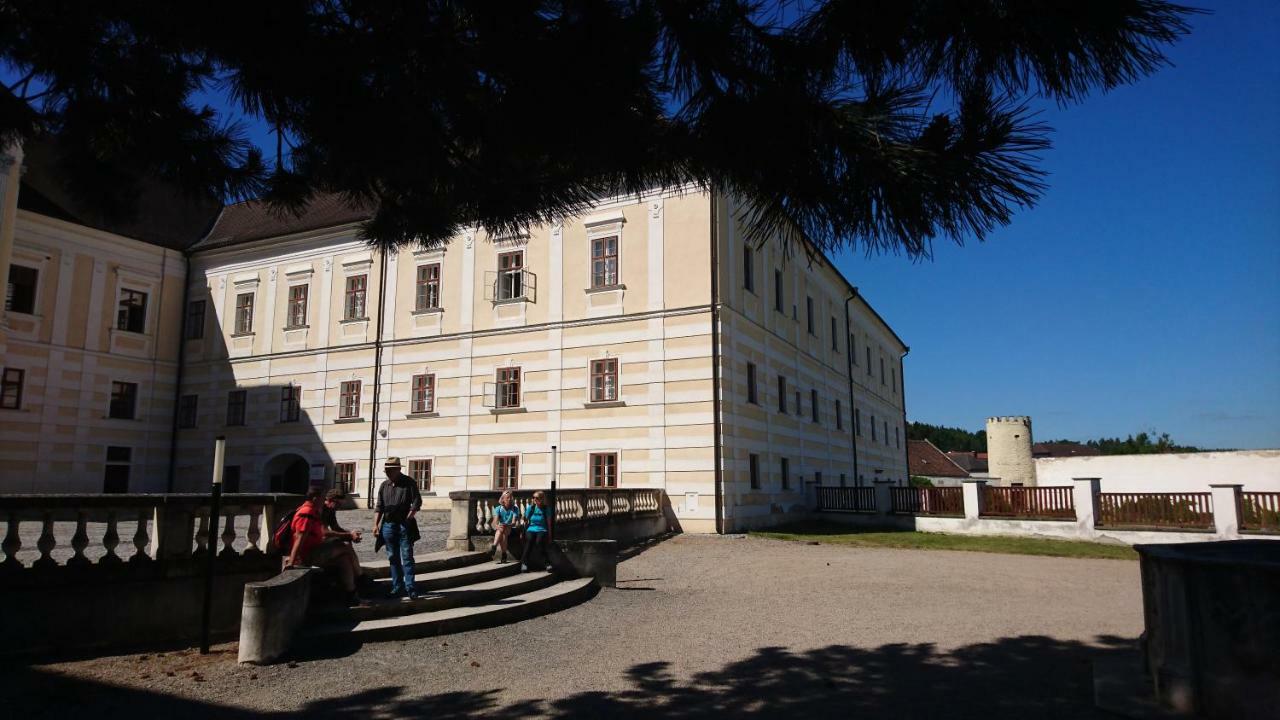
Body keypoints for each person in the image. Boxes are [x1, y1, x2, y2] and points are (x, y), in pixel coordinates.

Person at [285, 487, 363, 604]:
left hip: (315, 548)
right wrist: (291, 562)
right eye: (322, 499)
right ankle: (362, 579)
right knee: (345, 547)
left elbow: (332, 529)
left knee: (344, 559)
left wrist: (349, 535)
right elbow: (300, 538)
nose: (324, 501)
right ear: (316, 498)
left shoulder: (315, 510)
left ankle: (351, 594)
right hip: (308, 554)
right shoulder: (307, 513)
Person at [372, 457, 422, 600]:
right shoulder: (384, 485)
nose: (388, 473)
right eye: (386, 470)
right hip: (388, 525)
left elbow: (417, 502)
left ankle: (410, 587)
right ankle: (397, 586)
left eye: (390, 470)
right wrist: (375, 524)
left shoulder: (409, 483)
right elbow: (379, 507)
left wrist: (409, 517)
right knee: (392, 557)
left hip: (404, 525)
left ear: (398, 469)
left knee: (406, 557)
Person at [520, 490, 552, 573]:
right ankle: (524, 564)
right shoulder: (531, 508)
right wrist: (522, 532)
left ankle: (547, 564)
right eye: (533, 497)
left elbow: (549, 523)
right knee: (529, 541)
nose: (534, 499)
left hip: (542, 529)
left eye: (536, 498)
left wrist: (550, 535)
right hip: (531, 528)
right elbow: (525, 521)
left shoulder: (546, 509)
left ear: (542, 499)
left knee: (539, 542)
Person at [492, 490, 519, 564]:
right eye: (507, 497)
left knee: (503, 529)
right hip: (501, 529)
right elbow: (495, 522)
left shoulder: (515, 509)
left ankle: (494, 546)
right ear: (503, 499)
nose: (509, 499)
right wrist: (498, 526)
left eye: (510, 497)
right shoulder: (498, 508)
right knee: (502, 531)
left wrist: (507, 525)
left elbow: (513, 523)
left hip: (511, 528)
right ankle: (503, 554)